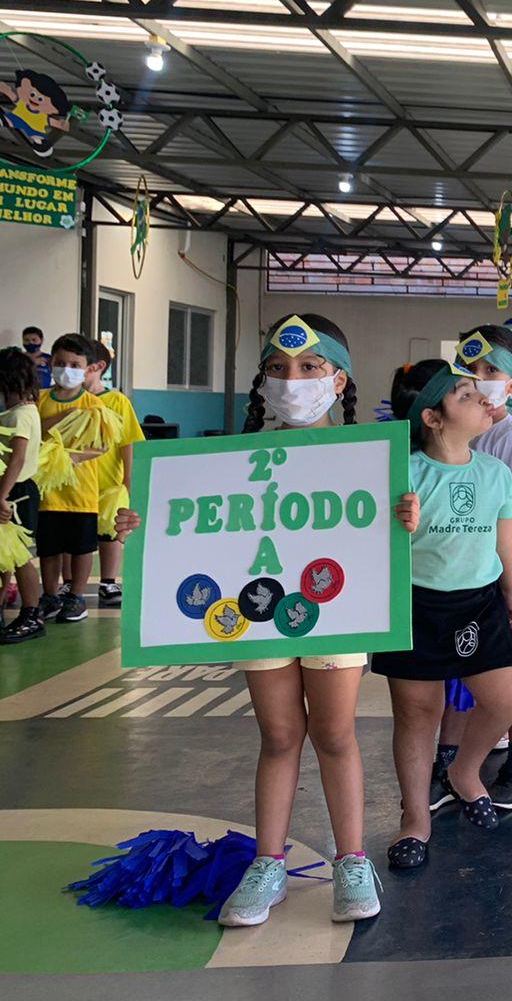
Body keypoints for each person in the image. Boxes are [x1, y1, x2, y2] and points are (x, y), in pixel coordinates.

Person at [115, 314, 381, 925]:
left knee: (336, 734)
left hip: (337, 611)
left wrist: (405, 514)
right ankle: (268, 864)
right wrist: (142, 523)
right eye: (279, 369)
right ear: (262, 381)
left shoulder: (369, 457)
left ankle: (352, 859)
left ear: (339, 380)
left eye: (311, 368)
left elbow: (382, 534)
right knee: (280, 735)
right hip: (258, 612)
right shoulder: (230, 457)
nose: (294, 381)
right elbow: (192, 519)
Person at [380, 359, 512, 867]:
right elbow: (368, 539)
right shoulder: (402, 474)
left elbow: (506, 537)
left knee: (507, 695)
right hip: (415, 604)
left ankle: (467, 771)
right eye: (465, 396)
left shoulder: (495, 473)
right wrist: (398, 519)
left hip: (479, 601)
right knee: (417, 715)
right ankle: (415, 819)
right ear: (433, 419)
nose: (483, 400)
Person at [432, 326, 512, 814]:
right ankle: (448, 762)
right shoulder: (459, 428)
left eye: (490, 371)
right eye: (468, 368)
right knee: (460, 673)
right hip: (461, 575)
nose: (477, 379)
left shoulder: (509, 440)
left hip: (500, 576)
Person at [36, 333, 111, 624]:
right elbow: (35, 431)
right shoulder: (40, 400)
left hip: (81, 493)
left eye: (74, 364)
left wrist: (73, 459)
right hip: (48, 494)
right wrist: (66, 415)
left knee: (81, 549)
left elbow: (103, 445)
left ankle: (76, 597)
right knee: (49, 549)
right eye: (60, 363)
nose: (67, 369)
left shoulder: (95, 405)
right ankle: (50, 595)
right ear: (51, 363)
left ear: (88, 368)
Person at [86, 341, 143, 607]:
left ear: (98, 367)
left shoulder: (117, 401)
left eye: (77, 365)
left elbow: (129, 442)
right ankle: (66, 585)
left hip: (108, 484)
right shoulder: (62, 400)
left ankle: (108, 581)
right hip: (72, 485)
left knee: (109, 534)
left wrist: (130, 482)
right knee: (73, 538)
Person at [0, 347, 45, 644]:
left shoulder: (19, 416)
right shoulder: (25, 412)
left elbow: (16, 458)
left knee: (20, 558)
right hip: (13, 488)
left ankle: (32, 614)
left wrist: (0, 496)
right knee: (5, 556)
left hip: (16, 492)